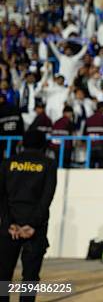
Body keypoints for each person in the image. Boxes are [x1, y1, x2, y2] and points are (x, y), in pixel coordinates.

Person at [0, 129, 56, 302]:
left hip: (10, 228)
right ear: (43, 145)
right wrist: (32, 224)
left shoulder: (8, 163)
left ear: (22, 143)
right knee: (30, 277)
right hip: (35, 229)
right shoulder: (48, 164)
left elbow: (2, 197)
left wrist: (9, 223)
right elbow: (46, 198)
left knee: (3, 275)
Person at [84, 102, 103, 168]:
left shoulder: (88, 119)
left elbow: (84, 134)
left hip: (91, 146)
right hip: (102, 147)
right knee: (102, 167)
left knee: (90, 167)